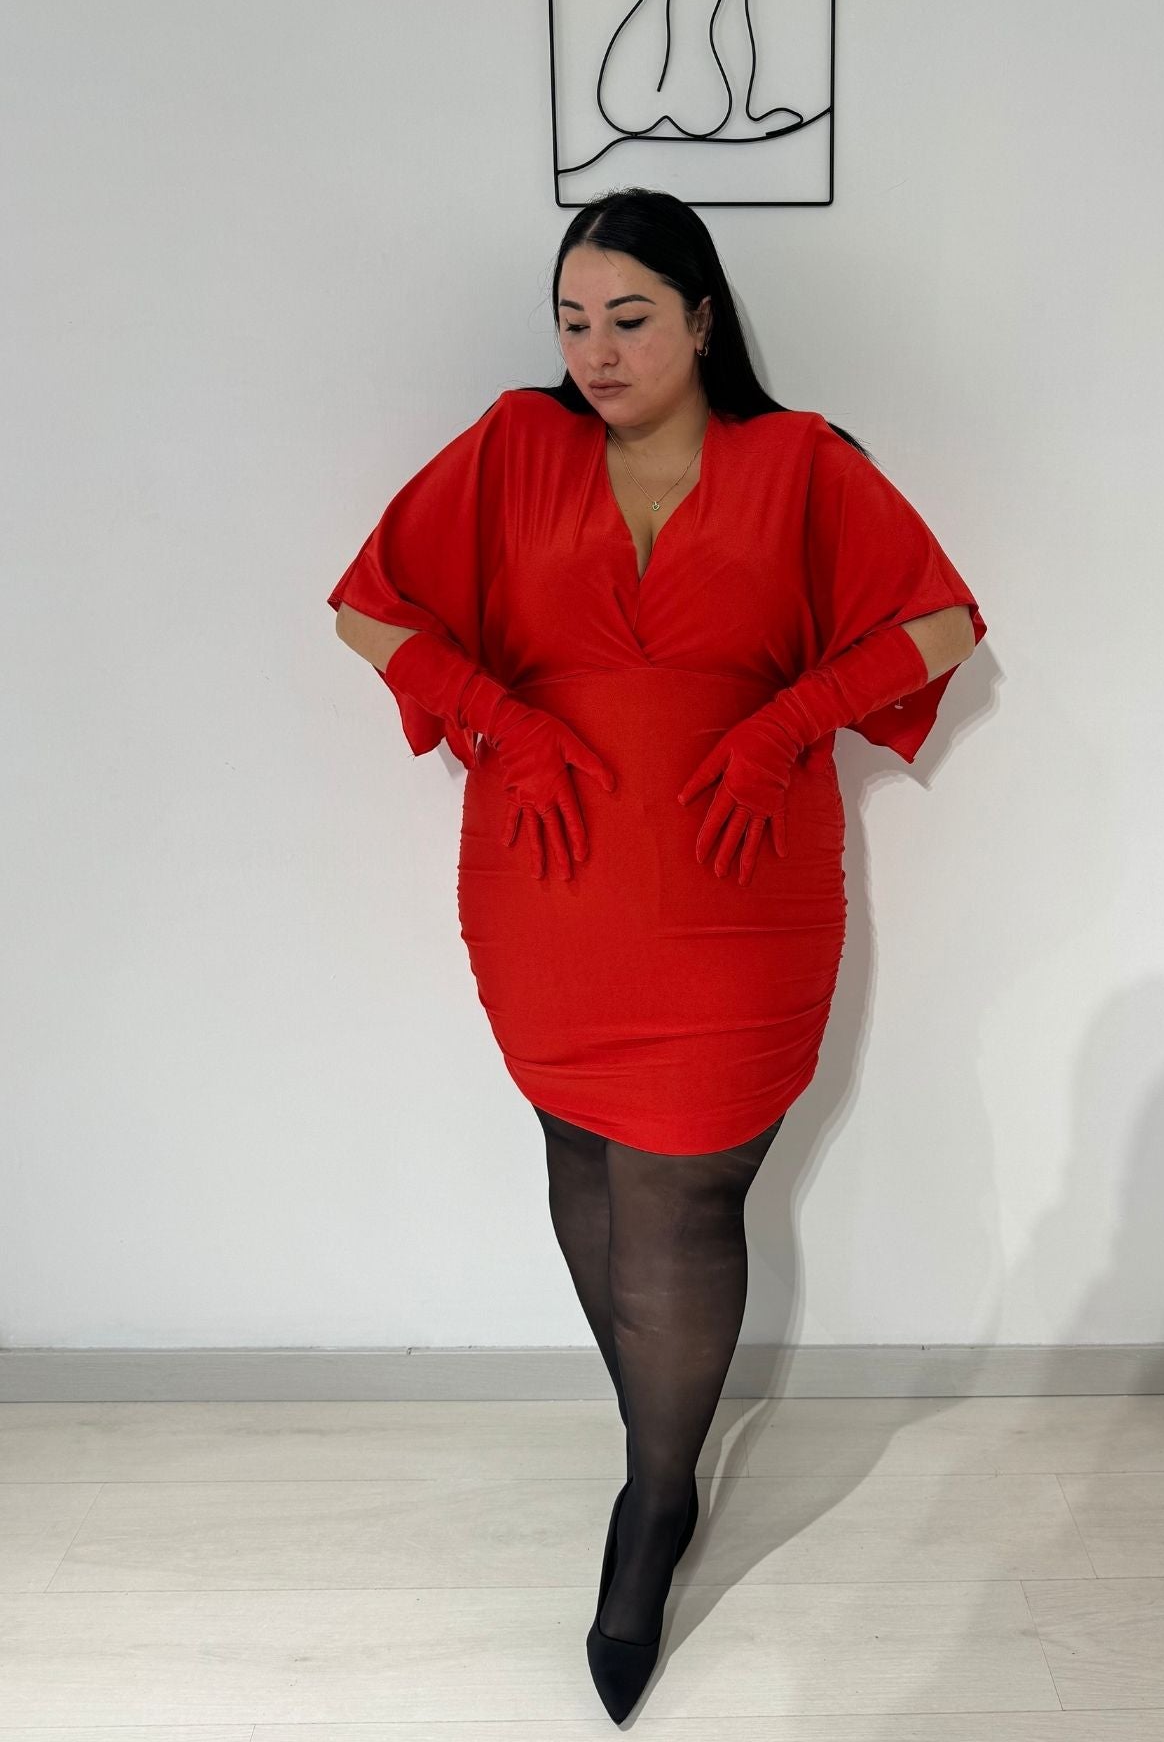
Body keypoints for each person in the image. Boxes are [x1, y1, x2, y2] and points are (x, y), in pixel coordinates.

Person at [327, 186, 987, 1722]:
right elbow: (369, 611)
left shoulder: (801, 463)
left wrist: (784, 723)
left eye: (629, 319)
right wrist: (498, 719)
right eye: (573, 322)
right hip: (546, 884)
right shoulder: (514, 445)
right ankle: (656, 1449)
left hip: (739, 896)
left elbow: (941, 625)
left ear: (701, 316)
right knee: (576, 1147)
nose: (598, 353)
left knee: (685, 1192)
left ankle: (656, 1497)